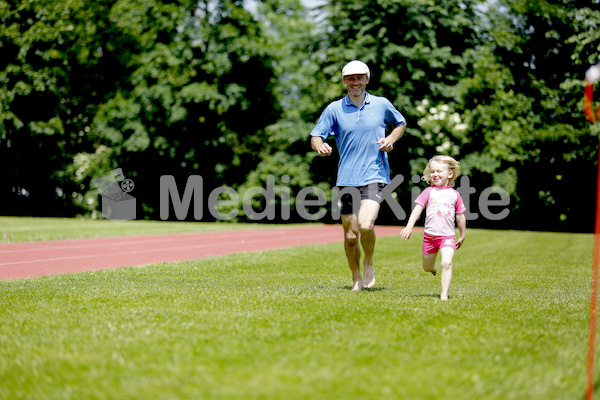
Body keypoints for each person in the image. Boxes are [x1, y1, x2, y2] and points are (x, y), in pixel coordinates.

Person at [310, 60, 407, 291]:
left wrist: (391, 139)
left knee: (365, 224)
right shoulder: (335, 108)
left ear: (367, 79)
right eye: (350, 78)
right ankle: (356, 277)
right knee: (351, 236)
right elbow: (316, 135)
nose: (355, 82)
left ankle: (368, 262)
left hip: (375, 174)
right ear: (344, 81)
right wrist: (319, 145)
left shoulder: (381, 104)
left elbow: (400, 123)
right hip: (346, 179)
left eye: (359, 77)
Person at [400, 155, 467, 300]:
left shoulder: (455, 195)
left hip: (447, 237)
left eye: (439, 171)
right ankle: (432, 269)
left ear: (450, 174)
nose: (435, 174)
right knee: (427, 267)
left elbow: (460, 216)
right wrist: (409, 227)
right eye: (432, 172)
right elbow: (417, 210)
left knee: (446, 262)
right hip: (429, 238)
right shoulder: (428, 192)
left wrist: (462, 235)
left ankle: (444, 295)